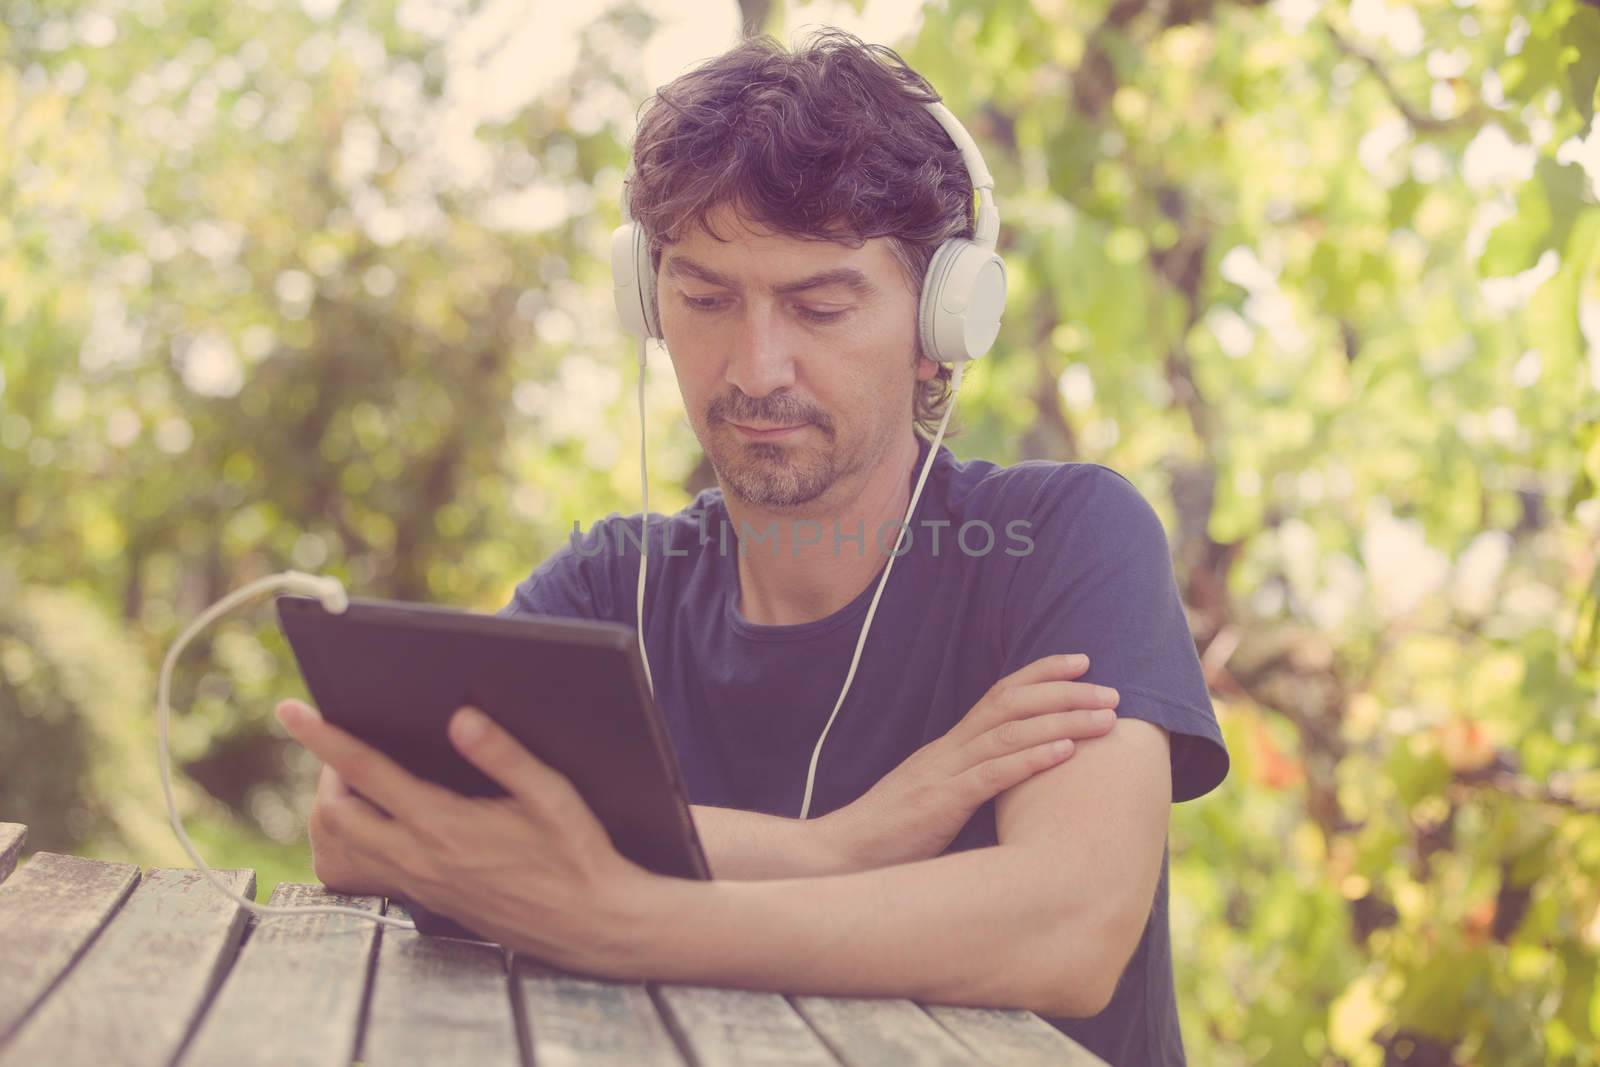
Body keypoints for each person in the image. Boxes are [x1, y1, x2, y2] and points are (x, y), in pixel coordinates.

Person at [288, 28, 1228, 1066]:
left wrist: (620, 918)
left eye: (819, 304)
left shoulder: (1064, 543)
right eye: (703, 298)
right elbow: (361, 816)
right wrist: (837, 846)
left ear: (942, 321)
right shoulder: (612, 584)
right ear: (648, 300)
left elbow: (1064, 924)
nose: (755, 365)